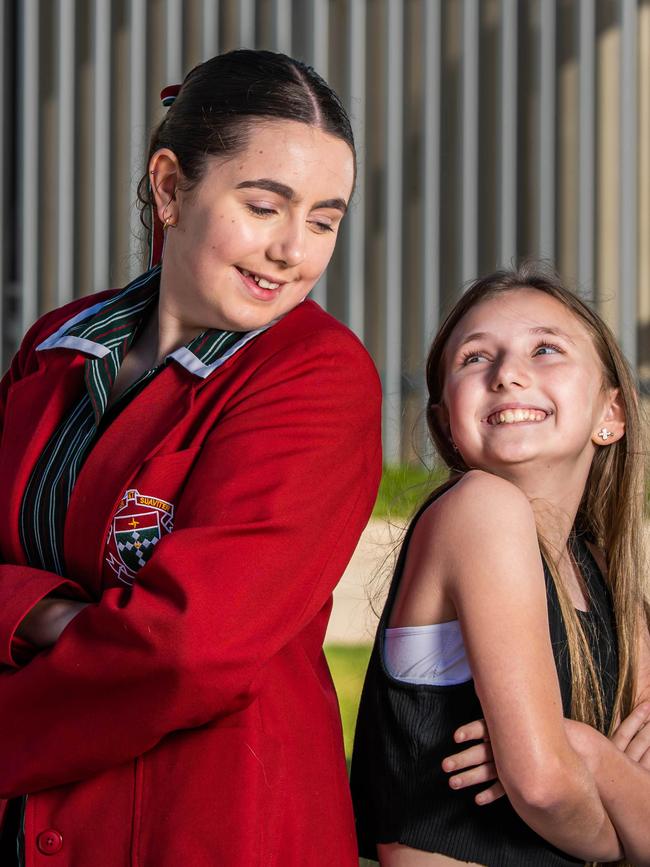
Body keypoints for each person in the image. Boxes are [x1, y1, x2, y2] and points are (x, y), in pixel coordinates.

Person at [0, 50, 381, 867]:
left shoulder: (317, 376)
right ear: (171, 188)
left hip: (207, 827)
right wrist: (39, 608)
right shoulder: (54, 348)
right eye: (264, 205)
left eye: (324, 219)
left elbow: (191, 649)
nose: (291, 251)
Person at [351, 264, 650, 866]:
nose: (509, 375)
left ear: (610, 414)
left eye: (545, 349)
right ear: (445, 425)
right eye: (474, 358)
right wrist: (593, 772)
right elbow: (541, 785)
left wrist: (584, 753)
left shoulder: (603, 572)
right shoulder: (480, 511)